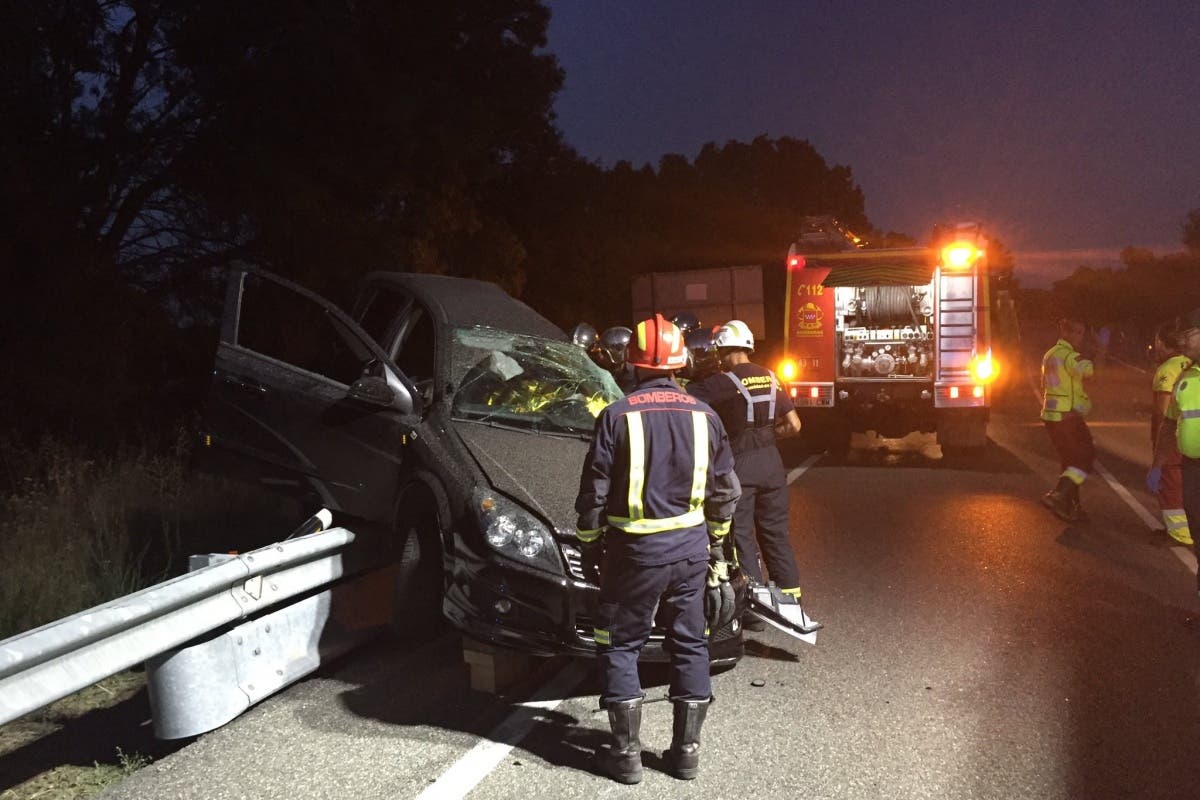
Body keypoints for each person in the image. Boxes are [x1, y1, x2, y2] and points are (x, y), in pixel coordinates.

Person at [575, 313, 740, 784]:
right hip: (690, 551)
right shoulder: (706, 415)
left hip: (633, 554)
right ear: (679, 362)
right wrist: (718, 543)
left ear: (634, 362)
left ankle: (625, 757)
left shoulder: (616, 415)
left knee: (622, 644)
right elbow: (725, 492)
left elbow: (594, 495)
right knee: (690, 644)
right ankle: (686, 755)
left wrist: (589, 546)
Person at [686, 319, 812, 630]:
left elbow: (683, 396)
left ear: (723, 350)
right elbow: (795, 425)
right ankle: (791, 601)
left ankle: (754, 610)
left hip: (740, 467)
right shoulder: (772, 377)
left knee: (740, 537)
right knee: (775, 534)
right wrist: (768, 439)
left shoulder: (723, 381)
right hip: (773, 464)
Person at [1149, 308, 1200, 595]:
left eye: (1188, 335)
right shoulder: (1185, 377)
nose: (1182, 341)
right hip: (1192, 468)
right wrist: (1158, 464)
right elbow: (1169, 424)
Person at [1040, 316, 1095, 522]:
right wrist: (1096, 352)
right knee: (1085, 459)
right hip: (1067, 416)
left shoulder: (1050, 354)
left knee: (1070, 462)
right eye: (1079, 333)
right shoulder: (1069, 356)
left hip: (1052, 415)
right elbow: (1089, 371)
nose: (1081, 337)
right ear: (1068, 333)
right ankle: (1059, 495)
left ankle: (1071, 506)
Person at [1150, 321, 1193, 545]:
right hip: (1190, 435)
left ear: (1161, 342)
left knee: (1170, 484)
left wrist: (1159, 453)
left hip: (1173, 438)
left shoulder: (1167, 369)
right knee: (1185, 484)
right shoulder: (1190, 363)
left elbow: (1164, 413)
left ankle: (1178, 534)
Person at [590, 326, 637, 393]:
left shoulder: (634, 377)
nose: (599, 357)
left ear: (618, 355)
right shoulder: (602, 370)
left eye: (604, 353)